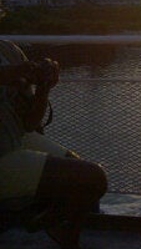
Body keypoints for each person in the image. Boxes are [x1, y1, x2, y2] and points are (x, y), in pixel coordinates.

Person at [0, 40, 107, 249]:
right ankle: (46, 225)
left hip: (15, 139)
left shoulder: (8, 50)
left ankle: (54, 226)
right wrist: (9, 75)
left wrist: (43, 88)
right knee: (92, 178)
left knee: (83, 178)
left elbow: (30, 123)